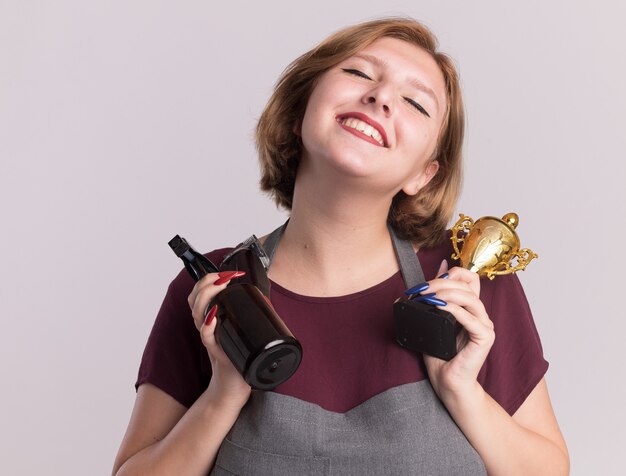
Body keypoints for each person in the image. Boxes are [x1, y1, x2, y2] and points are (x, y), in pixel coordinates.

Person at [112, 17, 569, 475]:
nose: (381, 97)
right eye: (358, 73)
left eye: (415, 102)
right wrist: (223, 395)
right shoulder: (214, 290)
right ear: (299, 112)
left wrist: (462, 390)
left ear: (423, 175)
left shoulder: (465, 285)